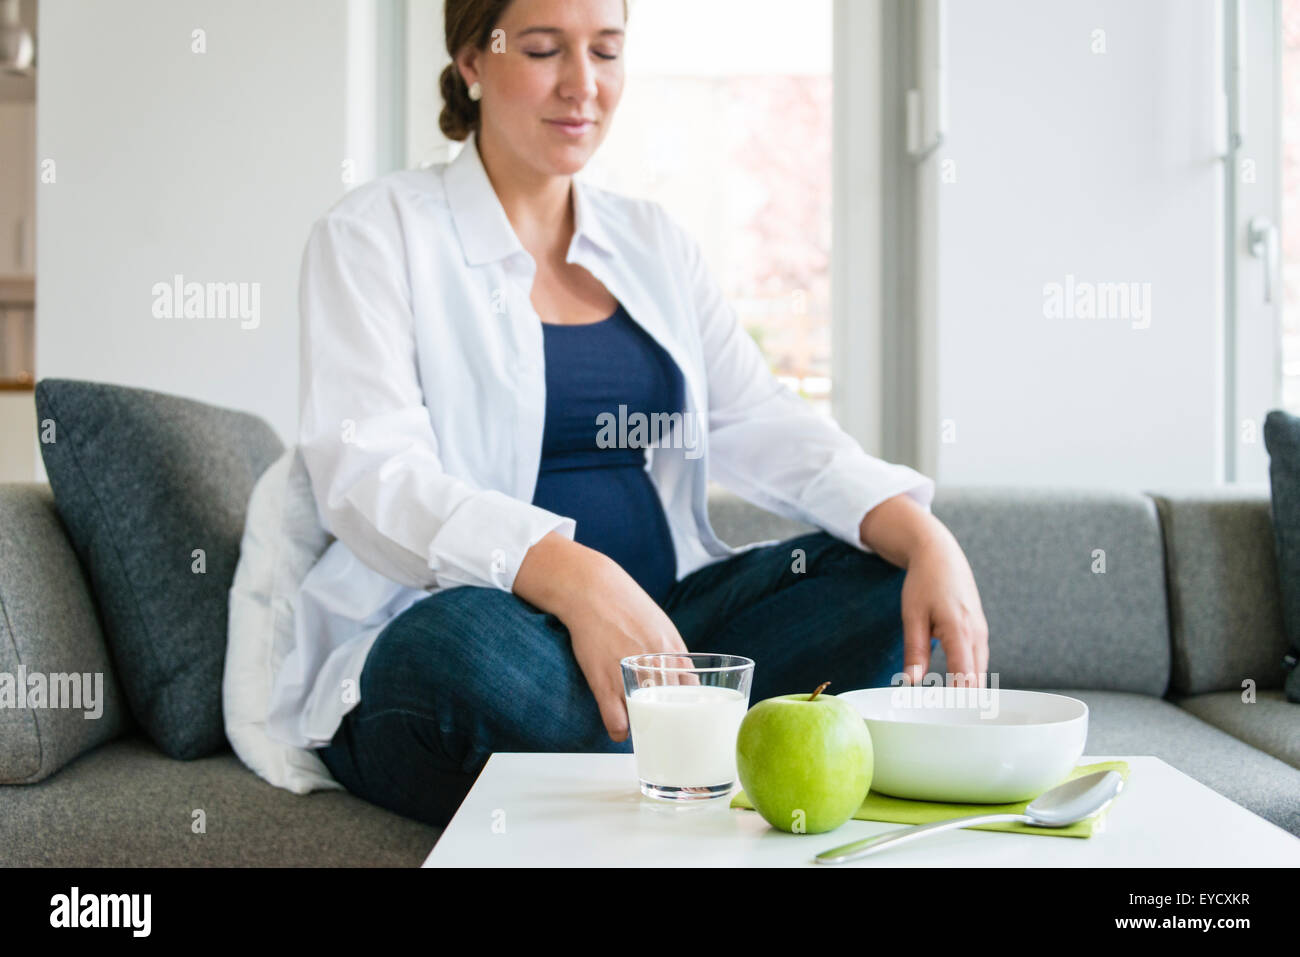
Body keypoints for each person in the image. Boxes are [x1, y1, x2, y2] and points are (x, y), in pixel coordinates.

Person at [266, 0, 989, 829]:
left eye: (607, 52)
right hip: (471, 642)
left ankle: (649, 765)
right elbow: (372, 475)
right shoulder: (374, 234)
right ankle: (704, 759)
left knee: (886, 582)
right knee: (463, 652)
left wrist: (923, 534)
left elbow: (759, 418)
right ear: (472, 60)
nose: (583, 86)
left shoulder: (653, 244)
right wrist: (569, 573)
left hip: (660, 637)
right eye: (543, 51)